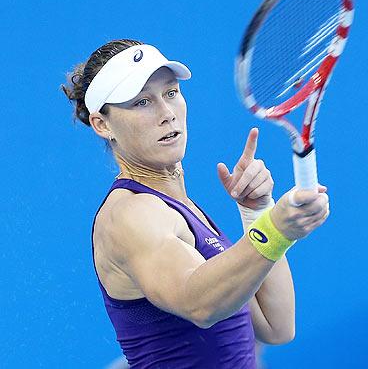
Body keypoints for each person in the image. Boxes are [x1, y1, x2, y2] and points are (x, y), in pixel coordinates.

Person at [61, 40, 330, 368]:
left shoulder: (181, 208)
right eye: (143, 102)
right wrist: (276, 229)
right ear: (103, 124)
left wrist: (258, 212)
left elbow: (277, 326)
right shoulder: (130, 214)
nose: (166, 113)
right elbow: (199, 303)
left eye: (171, 93)